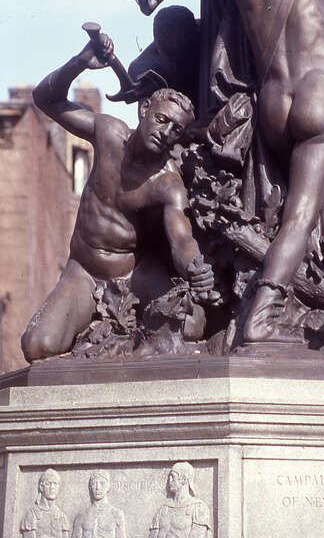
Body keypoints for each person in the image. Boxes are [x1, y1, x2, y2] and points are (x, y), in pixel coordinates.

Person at [122, 0, 324, 342]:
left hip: (272, 106)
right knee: (301, 212)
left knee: (278, 201)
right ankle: (261, 313)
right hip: (321, 94)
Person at [21, 33, 213, 362]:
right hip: (84, 271)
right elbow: (46, 99)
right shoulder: (108, 132)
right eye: (162, 120)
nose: (166, 132)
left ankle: (128, 342)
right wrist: (80, 62)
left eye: (176, 129)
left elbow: (182, 239)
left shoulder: (167, 184)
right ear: (144, 110)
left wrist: (195, 268)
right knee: (38, 345)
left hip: (135, 275)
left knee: (192, 325)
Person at [149, 462, 211, 538]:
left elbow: (198, 535)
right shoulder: (163, 510)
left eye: (172, 476)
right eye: (169, 477)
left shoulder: (198, 508)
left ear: (184, 479)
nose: (169, 480)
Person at [71, 471, 126, 538]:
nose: (98, 488)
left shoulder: (116, 514)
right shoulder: (81, 516)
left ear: (108, 486)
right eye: (94, 483)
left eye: (102, 483)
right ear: (90, 487)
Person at [20, 468, 69, 538]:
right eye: (48, 484)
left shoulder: (61, 516)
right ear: (41, 487)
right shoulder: (32, 515)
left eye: (55, 484)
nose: (52, 487)